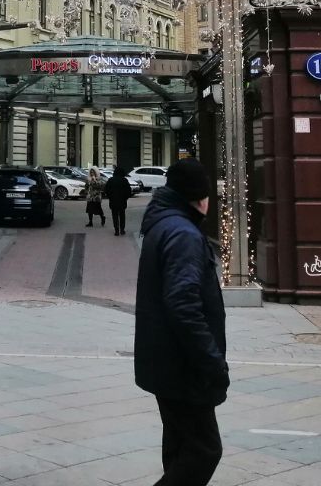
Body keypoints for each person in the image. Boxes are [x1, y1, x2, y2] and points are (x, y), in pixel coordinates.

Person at [134, 159, 227, 486]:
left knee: (179, 445)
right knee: (204, 450)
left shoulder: (162, 224)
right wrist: (212, 361)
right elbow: (183, 304)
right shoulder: (183, 234)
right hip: (184, 366)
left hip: (165, 363)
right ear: (201, 198)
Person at [105, 166, 132, 236]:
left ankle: (116, 230)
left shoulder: (111, 180)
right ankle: (122, 229)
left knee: (115, 215)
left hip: (113, 201)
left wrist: (110, 197)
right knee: (122, 215)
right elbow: (129, 191)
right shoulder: (124, 180)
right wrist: (125, 198)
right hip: (122, 201)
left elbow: (106, 190)